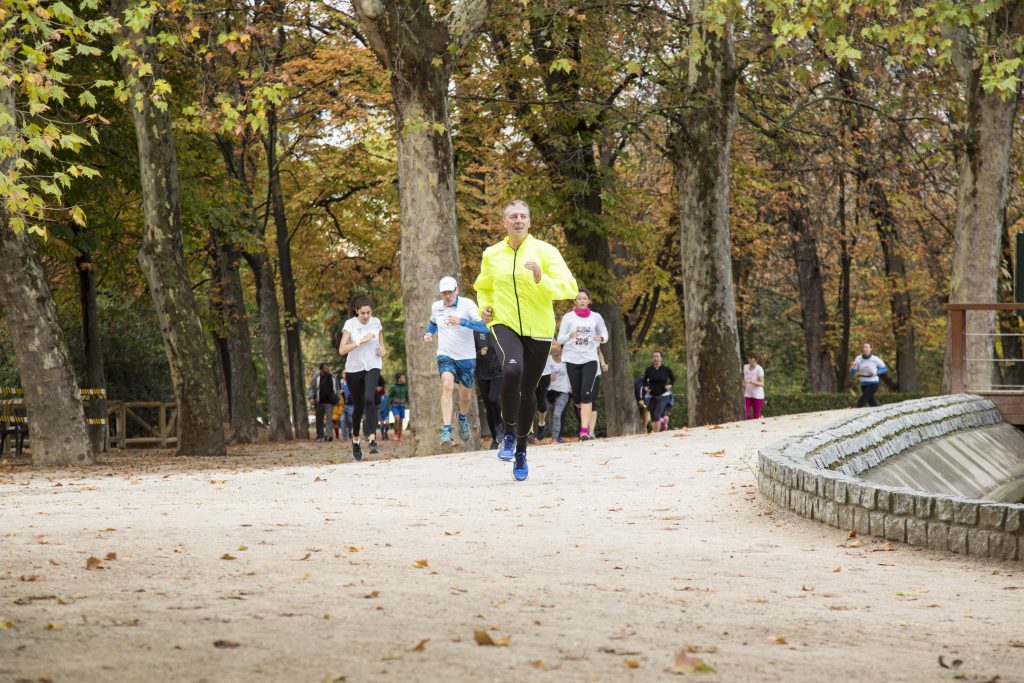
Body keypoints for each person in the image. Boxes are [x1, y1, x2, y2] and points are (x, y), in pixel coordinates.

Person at [474, 199, 577, 481]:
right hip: (504, 323)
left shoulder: (546, 251)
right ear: (504, 222)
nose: (518, 220)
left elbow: (569, 288)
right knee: (511, 370)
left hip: (539, 331)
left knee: (528, 391)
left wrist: (542, 279)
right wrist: (484, 306)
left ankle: (520, 450)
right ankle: (507, 433)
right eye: (513, 216)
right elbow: (483, 287)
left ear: (530, 222)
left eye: (523, 216)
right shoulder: (492, 254)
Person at [424, 276, 487, 448]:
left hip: (466, 357)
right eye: (444, 293)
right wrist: (428, 334)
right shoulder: (436, 307)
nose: (447, 296)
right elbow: (432, 324)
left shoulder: (468, 305)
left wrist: (463, 322)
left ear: (456, 290)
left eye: (450, 292)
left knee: (465, 396)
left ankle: (462, 417)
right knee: (447, 385)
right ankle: (446, 430)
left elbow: (484, 327)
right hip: (446, 355)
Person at [338, 295, 386, 461]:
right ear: (356, 311)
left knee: (369, 399)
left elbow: (381, 342)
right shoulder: (350, 324)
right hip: (354, 369)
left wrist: (382, 350)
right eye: (363, 313)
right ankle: (356, 439)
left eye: (368, 312)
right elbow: (342, 350)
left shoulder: (376, 322)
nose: (366, 316)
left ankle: (372, 439)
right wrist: (359, 342)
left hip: (373, 365)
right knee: (358, 407)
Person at [556, 289, 608, 441]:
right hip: (572, 359)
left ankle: (584, 430)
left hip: (590, 359)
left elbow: (605, 333)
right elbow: (559, 339)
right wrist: (569, 336)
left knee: (587, 394)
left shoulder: (596, 317)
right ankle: (582, 414)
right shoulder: (568, 318)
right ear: (575, 301)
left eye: (585, 298)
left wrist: (601, 337)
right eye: (580, 298)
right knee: (578, 397)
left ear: (589, 301)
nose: (583, 301)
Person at [475, 330, 503, 449]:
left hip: (498, 372)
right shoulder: (476, 331)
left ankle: (500, 425)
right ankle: (495, 438)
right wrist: (479, 353)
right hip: (482, 374)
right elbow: (468, 352)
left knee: (493, 399)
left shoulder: (499, 329)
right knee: (488, 407)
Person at [642, 351, 675, 432]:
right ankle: (662, 423)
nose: (656, 358)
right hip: (652, 395)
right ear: (652, 359)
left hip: (663, 395)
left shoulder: (666, 369)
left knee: (657, 416)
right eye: (654, 357)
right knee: (653, 417)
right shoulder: (649, 370)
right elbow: (644, 381)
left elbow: (673, 379)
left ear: (661, 358)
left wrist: (670, 385)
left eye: (657, 357)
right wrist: (646, 387)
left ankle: (656, 435)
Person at [546, 343, 571, 443]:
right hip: (550, 391)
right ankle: (552, 436)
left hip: (563, 391)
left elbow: (571, 374)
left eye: (557, 348)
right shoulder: (547, 360)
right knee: (551, 415)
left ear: (561, 348)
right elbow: (542, 374)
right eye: (553, 349)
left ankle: (555, 438)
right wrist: (548, 377)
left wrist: (571, 387)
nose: (555, 350)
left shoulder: (566, 360)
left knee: (557, 414)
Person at [308, 363, 340, 442]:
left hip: (330, 402)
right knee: (319, 420)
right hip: (319, 402)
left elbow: (337, 388)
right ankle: (320, 436)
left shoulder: (333, 377)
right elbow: (311, 388)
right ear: (321, 369)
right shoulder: (316, 377)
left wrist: (338, 399)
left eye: (328, 367)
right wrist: (311, 398)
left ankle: (328, 436)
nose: (328, 369)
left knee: (329, 419)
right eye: (326, 368)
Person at [850, 342, 887, 407]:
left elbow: (885, 368)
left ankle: (855, 415)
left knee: (861, 403)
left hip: (873, 383)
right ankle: (879, 414)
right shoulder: (858, 358)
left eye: (867, 347)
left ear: (871, 349)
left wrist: (876, 372)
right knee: (873, 404)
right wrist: (852, 367)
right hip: (863, 384)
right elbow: (852, 373)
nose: (864, 349)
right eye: (863, 347)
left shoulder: (875, 359)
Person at [743, 352, 765, 419]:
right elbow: (744, 378)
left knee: (756, 416)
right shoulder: (745, 367)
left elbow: (762, 383)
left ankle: (755, 428)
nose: (749, 359)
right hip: (747, 394)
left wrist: (751, 381)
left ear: (756, 359)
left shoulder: (759, 369)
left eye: (751, 358)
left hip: (757, 395)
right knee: (744, 414)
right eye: (748, 358)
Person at [387, 373, 408, 441]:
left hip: (402, 406)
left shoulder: (405, 387)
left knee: (401, 421)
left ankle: (400, 435)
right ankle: (396, 433)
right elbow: (390, 397)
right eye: (403, 378)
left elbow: (407, 396)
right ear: (399, 379)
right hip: (394, 406)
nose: (404, 379)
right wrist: (387, 406)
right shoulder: (393, 387)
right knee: (397, 418)